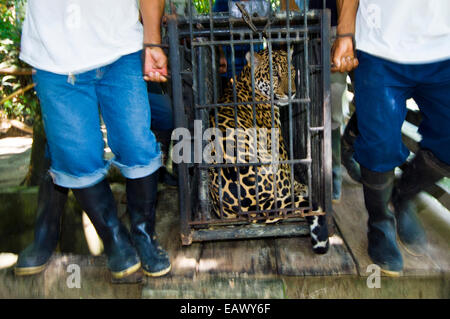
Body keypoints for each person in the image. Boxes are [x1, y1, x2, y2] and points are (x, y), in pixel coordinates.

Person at [14, 0, 171, 281]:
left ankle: (144, 234)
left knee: (137, 144)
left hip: (120, 47)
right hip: (54, 57)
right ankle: (114, 238)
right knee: (76, 157)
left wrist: (152, 42)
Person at [332, 0, 450, 275]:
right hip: (379, 45)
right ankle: (380, 224)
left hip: (444, 50)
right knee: (378, 144)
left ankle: (402, 196)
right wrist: (345, 33)